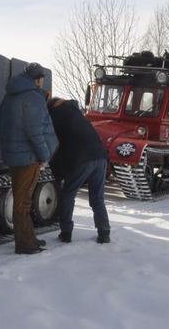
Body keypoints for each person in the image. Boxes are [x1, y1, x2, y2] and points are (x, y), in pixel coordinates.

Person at [0, 63, 58, 254]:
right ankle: (24, 244)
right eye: (41, 80)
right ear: (37, 79)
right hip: (28, 157)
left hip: (14, 155)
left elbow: (0, 124)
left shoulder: (10, 96)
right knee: (23, 202)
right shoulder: (33, 97)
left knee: (22, 199)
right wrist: (44, 155)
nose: (42, 83)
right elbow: (35, 132)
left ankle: (29, 237)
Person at [46, 97, 110, 244]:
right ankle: (104, 232)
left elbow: (56, 146)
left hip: (82, 159)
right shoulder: (76, 112)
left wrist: (57, 172)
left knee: (68, 194)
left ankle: (66, 233)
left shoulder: (56, 115)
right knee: (97, 198)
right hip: (100, 156)